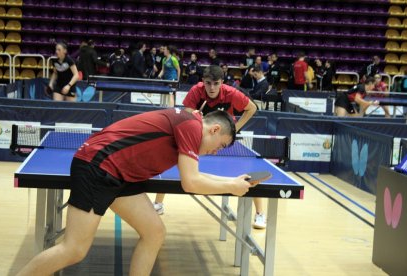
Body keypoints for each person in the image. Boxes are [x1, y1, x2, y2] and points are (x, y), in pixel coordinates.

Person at [16, 109, 257, 276]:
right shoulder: (191, 126)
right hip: (98, 165)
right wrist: (231, 187)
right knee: (74, 250)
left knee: (154, 232)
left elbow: (196, 176)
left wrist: (231, 181)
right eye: (221, 146)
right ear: (214, 130)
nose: (217, 152)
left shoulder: (190, 125)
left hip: (122, 175)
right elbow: (191, 182)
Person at [154, 66, 267, 229]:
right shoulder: (196, 91)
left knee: (247, 168)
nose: (212, 88)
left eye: (216, 83)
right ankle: (158, 203)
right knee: (175, 161)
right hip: (201, 138)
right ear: (203, 82)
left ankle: (260, 213)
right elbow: (186, 114)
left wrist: (235, 129)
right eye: (208, 83)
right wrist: (194, 116)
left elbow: (252, 108)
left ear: (222, 82)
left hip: (223, 138)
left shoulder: (231, 93)